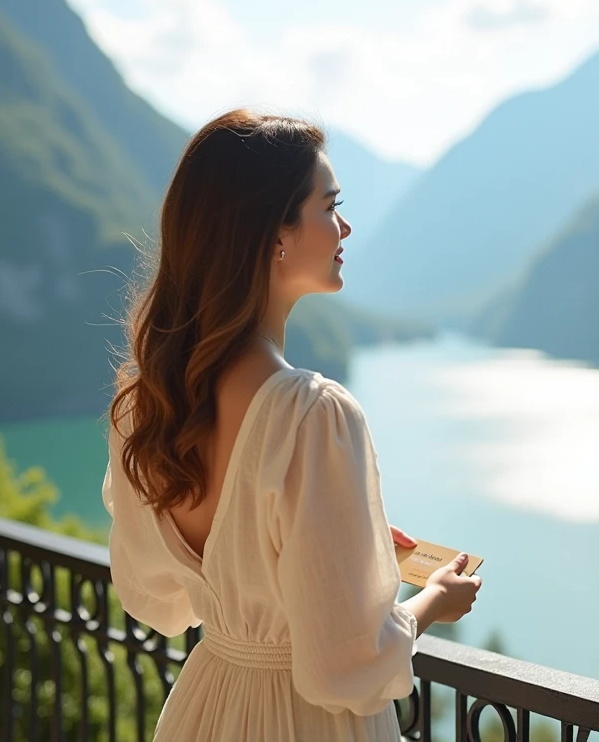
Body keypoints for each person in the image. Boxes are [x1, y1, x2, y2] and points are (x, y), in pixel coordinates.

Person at [102, 109, 482, 740]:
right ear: (272, 234)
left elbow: (158, 597)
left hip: (208, 707)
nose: (345, 226)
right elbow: (346, 663)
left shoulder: (150, 401)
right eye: (329, 206)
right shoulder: (311, 415)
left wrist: (341, 541)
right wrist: (433, 602)